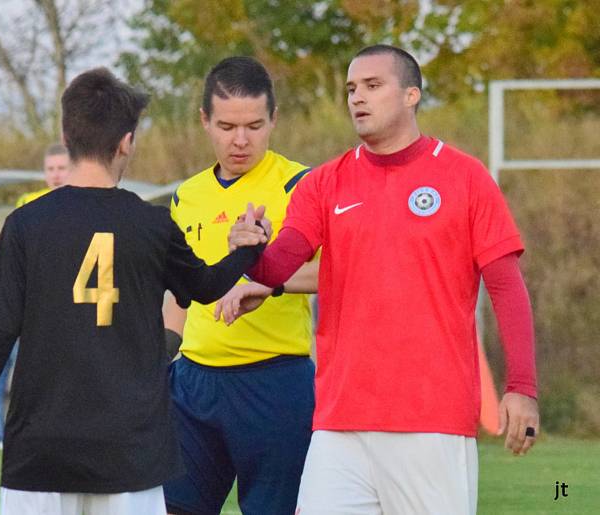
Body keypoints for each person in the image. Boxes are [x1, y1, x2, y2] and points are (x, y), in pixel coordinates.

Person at [0, 67, 269, 515]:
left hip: (41, 452)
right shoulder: (151, 224)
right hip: (130, 450)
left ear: (65, 132)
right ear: (127, 141)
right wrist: (246, 249)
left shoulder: (26, 225)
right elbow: (206, 289)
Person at [226, 45, 540, 515]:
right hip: (339, 423)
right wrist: (249, 250)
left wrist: (522, 386)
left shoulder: (465, 177)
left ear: (411, 94)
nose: (358, 98)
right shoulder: (325, 182)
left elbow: (506, 287)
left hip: (431, 421)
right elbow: (277, 266)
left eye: (373, 86)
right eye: (352, 88)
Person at [161, 56, 318, 515]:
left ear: (274, 120)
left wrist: (268, 281)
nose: (241, 140)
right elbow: (179, 292)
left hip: (273, 383)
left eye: (254, 125)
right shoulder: (185, 195)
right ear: (205, 121)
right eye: (227, 126)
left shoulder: (300, 185)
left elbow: (339, 271)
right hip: (191, 384)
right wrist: (158, 361)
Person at [0, 143, 72, 450]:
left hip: (67, 309)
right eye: (51, 169)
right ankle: (16, 433)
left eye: (62, 168)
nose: (56, 174)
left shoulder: (80, 201)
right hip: (31, 311)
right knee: (22, 375)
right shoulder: (28, 203)